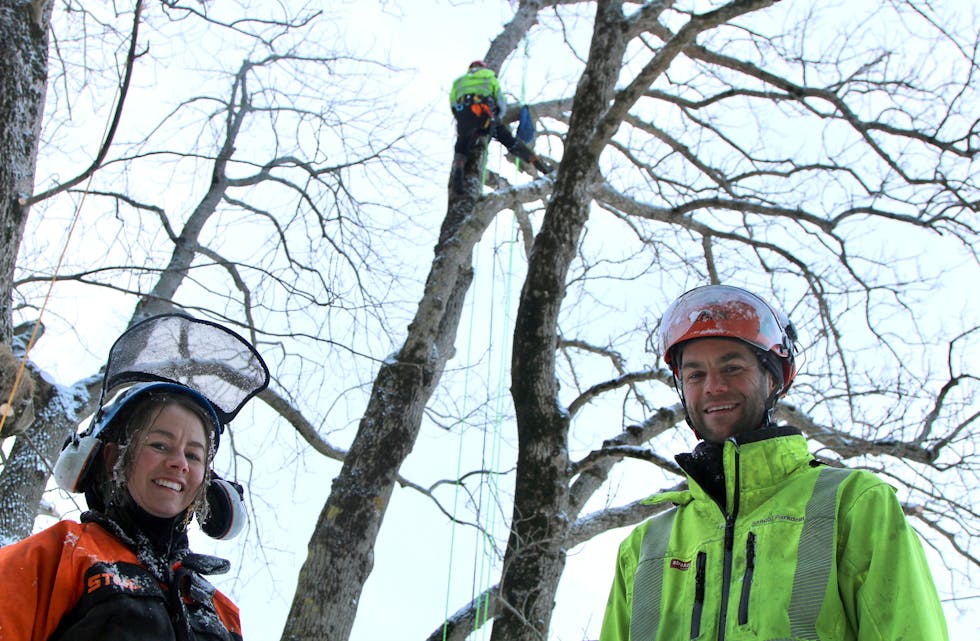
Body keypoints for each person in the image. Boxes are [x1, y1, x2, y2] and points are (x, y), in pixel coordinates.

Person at [598, 284, 948, 641]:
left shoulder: (853, 504)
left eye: (732, 367)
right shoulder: (645, 548)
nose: (713, 386)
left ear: (773, 378)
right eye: (695, 375)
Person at [0, 313, 269, 641]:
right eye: (160, 444)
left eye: (194, 454)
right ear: (113, 456)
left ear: (209, 485)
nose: (179, 463)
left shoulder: (220, 611)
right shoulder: (59, 554)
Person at [449, 60, 553, 193]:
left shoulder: (459, 81)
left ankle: (459, 166)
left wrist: (462, 118)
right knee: (509, 140)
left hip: (464, 113)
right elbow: (500, 101)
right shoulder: (489, 77)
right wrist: (498, 117)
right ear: (483, 67)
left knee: (463, 141)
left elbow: (453, 103)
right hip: (484, 112)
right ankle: (541, 166)